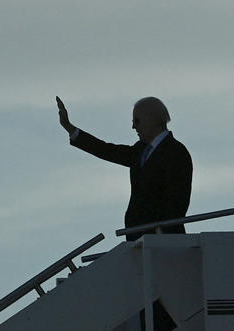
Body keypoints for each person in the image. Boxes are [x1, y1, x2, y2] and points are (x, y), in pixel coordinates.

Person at [56, 96, 193, 241]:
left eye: (136, 120)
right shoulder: (141, 150)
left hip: (161, 243)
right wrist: (70, 128)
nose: (134, 127)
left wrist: (164, 235)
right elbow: (107, 150)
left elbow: (178, 200)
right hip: (140, 240)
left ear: (152, 119)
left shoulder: (176, 152)